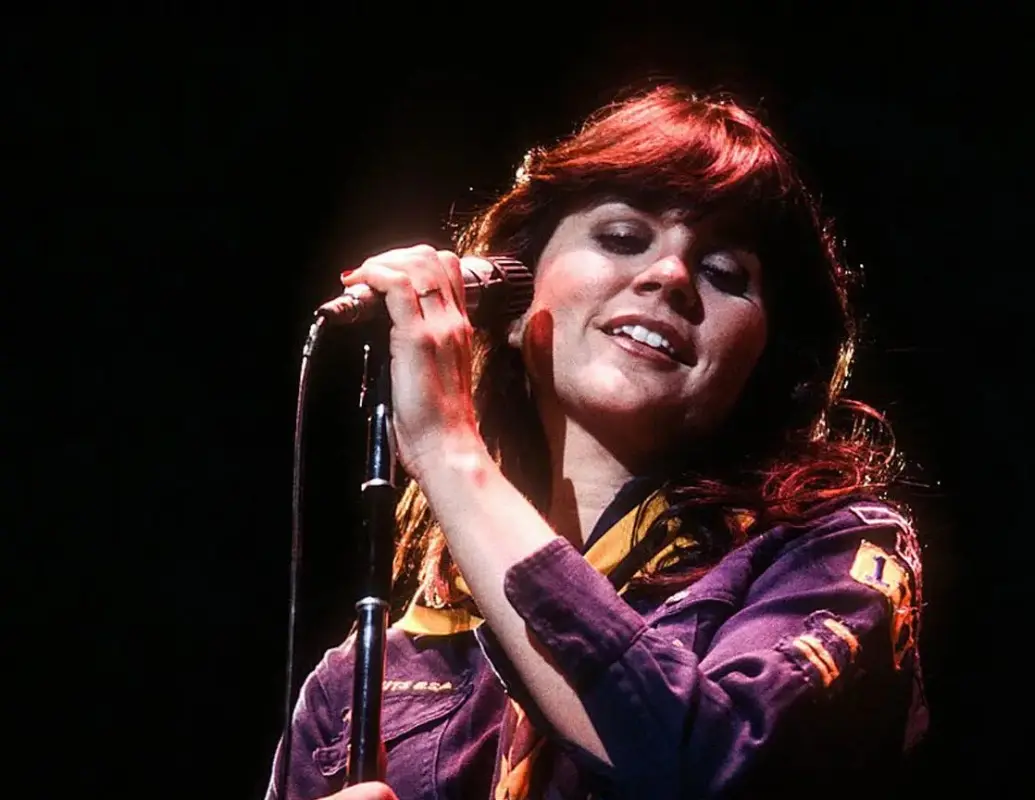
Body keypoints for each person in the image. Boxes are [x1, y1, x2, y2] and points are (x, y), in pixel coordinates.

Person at [266, 83, 928, 800]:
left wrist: (450, 453)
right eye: (622, 237)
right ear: (509, 301)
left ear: (763, 364)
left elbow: (702, 767)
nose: (670, 276)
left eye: (724, 273)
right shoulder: (359, 686)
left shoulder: (828, 557)